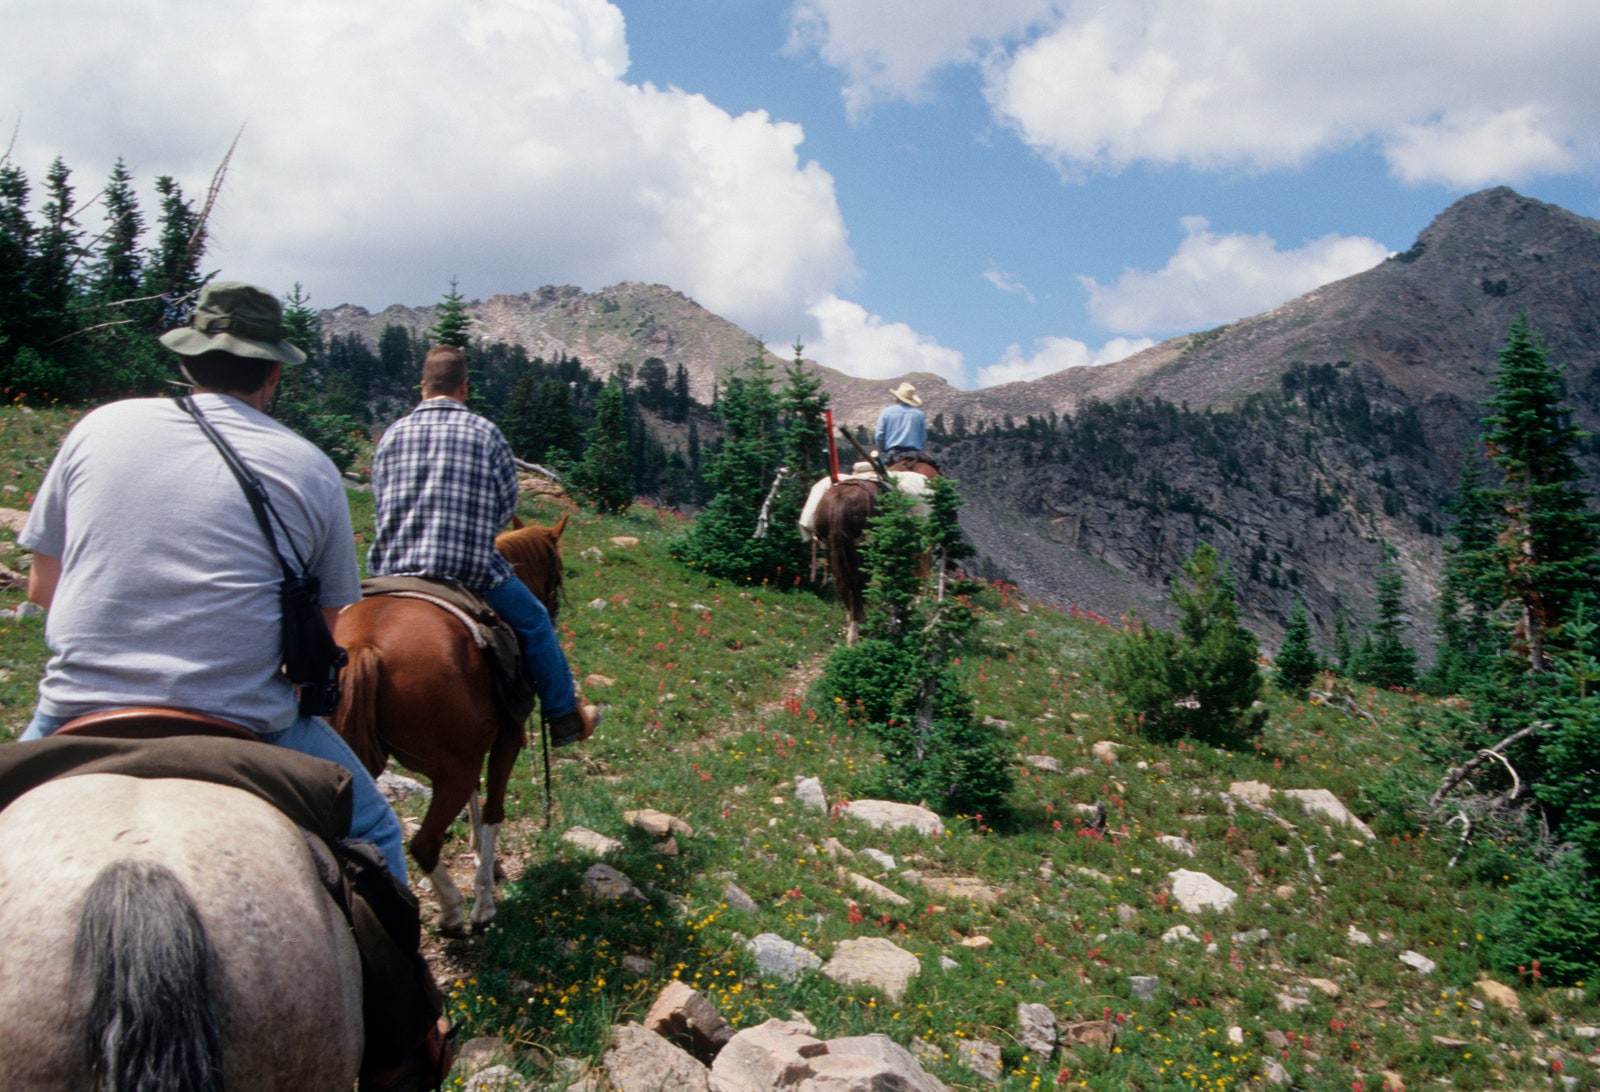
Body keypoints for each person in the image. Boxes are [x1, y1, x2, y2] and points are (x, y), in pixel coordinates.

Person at [17, 281, 409, 888]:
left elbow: (43, 589)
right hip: (246, 721)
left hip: (78, 706)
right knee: (378, 832)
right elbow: (320, 639)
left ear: (187, 361)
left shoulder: (98, 426)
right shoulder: (310, 465)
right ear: (273, 375)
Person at [366, 345, 589, 745]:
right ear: (464, 388)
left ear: (423, 387)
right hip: (469, 570)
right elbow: (506, 507)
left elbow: (380, 501)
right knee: (536, 622)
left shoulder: (393, 434)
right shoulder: (487, 433)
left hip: (391, 570)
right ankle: (564, 716)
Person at [874, 381, 927, 466]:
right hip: (914, 455)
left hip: (893, 454)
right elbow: (922, 437)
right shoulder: (920, 415)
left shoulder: (886, 412)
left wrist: (883, 449)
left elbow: (879, 436)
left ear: (897, 397)